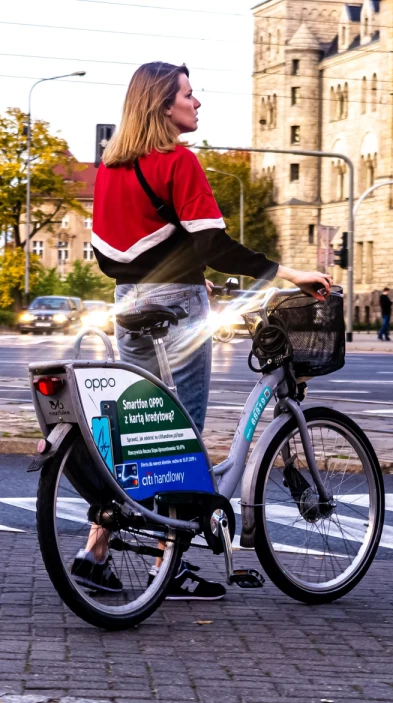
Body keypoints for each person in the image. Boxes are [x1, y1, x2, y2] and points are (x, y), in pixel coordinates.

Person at [89, 62, 331, 601]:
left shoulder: (111, 168)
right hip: (176, 307)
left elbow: (115, 253)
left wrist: (188, 274)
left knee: (139, 429)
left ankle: (95, 551)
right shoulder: (178, 161)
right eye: (188, 96)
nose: (196, 105)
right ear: (162, 105)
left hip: (127, 303)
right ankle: (167, 567)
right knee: (179, 433)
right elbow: (214, 245)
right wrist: (289, 272)